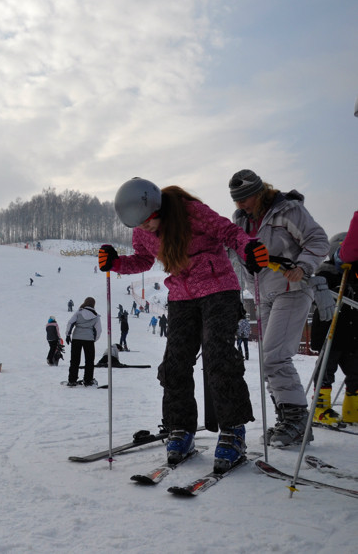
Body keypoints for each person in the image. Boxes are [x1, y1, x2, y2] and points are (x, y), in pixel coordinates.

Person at [99, 178, 265, 473]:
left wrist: (249, 248)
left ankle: (233, 431)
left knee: (218, 357)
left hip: (218, 289)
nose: (146, 228)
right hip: (181, 296)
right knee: (175, 363)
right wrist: (116, 263)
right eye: (139, 225)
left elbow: (229, 232)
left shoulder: (192, 212)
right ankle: (181, 428)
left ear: (157, 207)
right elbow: (142, 260)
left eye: (149, 221)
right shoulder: (142, 231)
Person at [229, 169, 329, 446]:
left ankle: (297, 423)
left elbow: (318, 241)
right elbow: (234, 250)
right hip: (262, 292)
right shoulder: (240, 219)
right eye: (236, 201)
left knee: (275, 357)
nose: (241, 205)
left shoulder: (287, 210)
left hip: (292, 288)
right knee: (267, 362)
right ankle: (288, 420)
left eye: (245, 198)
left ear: (260, 192)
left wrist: (303, 266)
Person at [309, 231, 357, 424]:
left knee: (355, 371)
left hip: (353, 335)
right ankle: (320, 408)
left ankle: (353, 407)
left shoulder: (355, 273)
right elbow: (316, 296)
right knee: (326, 370)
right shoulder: (326, 271)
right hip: (331, 332)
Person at [64, 297, 102, 387]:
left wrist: (68, 335)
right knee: (89, 360)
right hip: (89, 339)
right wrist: (94, 339)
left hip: (76, 338)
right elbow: (99, 330)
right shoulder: (96, 316)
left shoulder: (79, 312)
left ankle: (72, 380)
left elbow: (70, 323)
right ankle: (88, 380)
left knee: (74, 360)